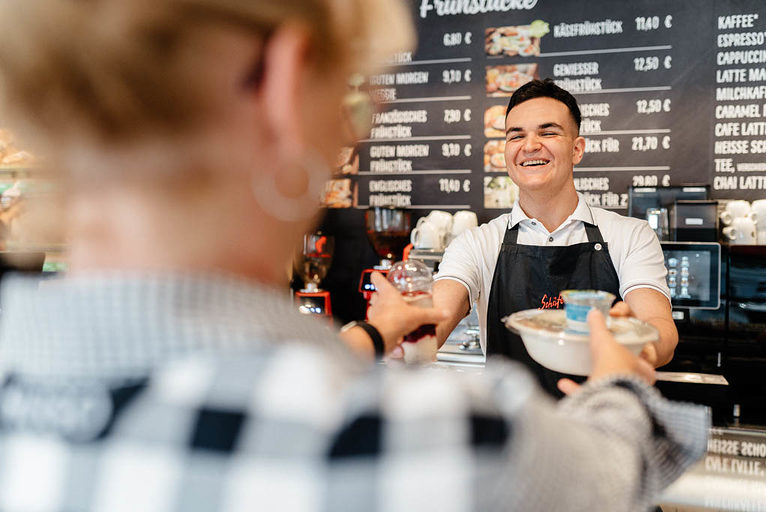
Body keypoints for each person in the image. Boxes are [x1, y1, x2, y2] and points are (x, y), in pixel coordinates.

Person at [0, 1, 707, 511]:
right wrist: (620, 385)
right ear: (284, 85)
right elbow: (608, 474)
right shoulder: (434, 442)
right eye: (351, 101)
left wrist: (386, 328)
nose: (347, 137)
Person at [435, 79, 677, 397]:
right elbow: (434, 320)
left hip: (604, 424)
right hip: (516, 433)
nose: (530, 145)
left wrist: (638, 349)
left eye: (548, 132)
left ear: (577, 149)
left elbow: (659, 325)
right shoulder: (476, 244)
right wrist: (397, 333)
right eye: (515, 135)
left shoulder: (630, 235)